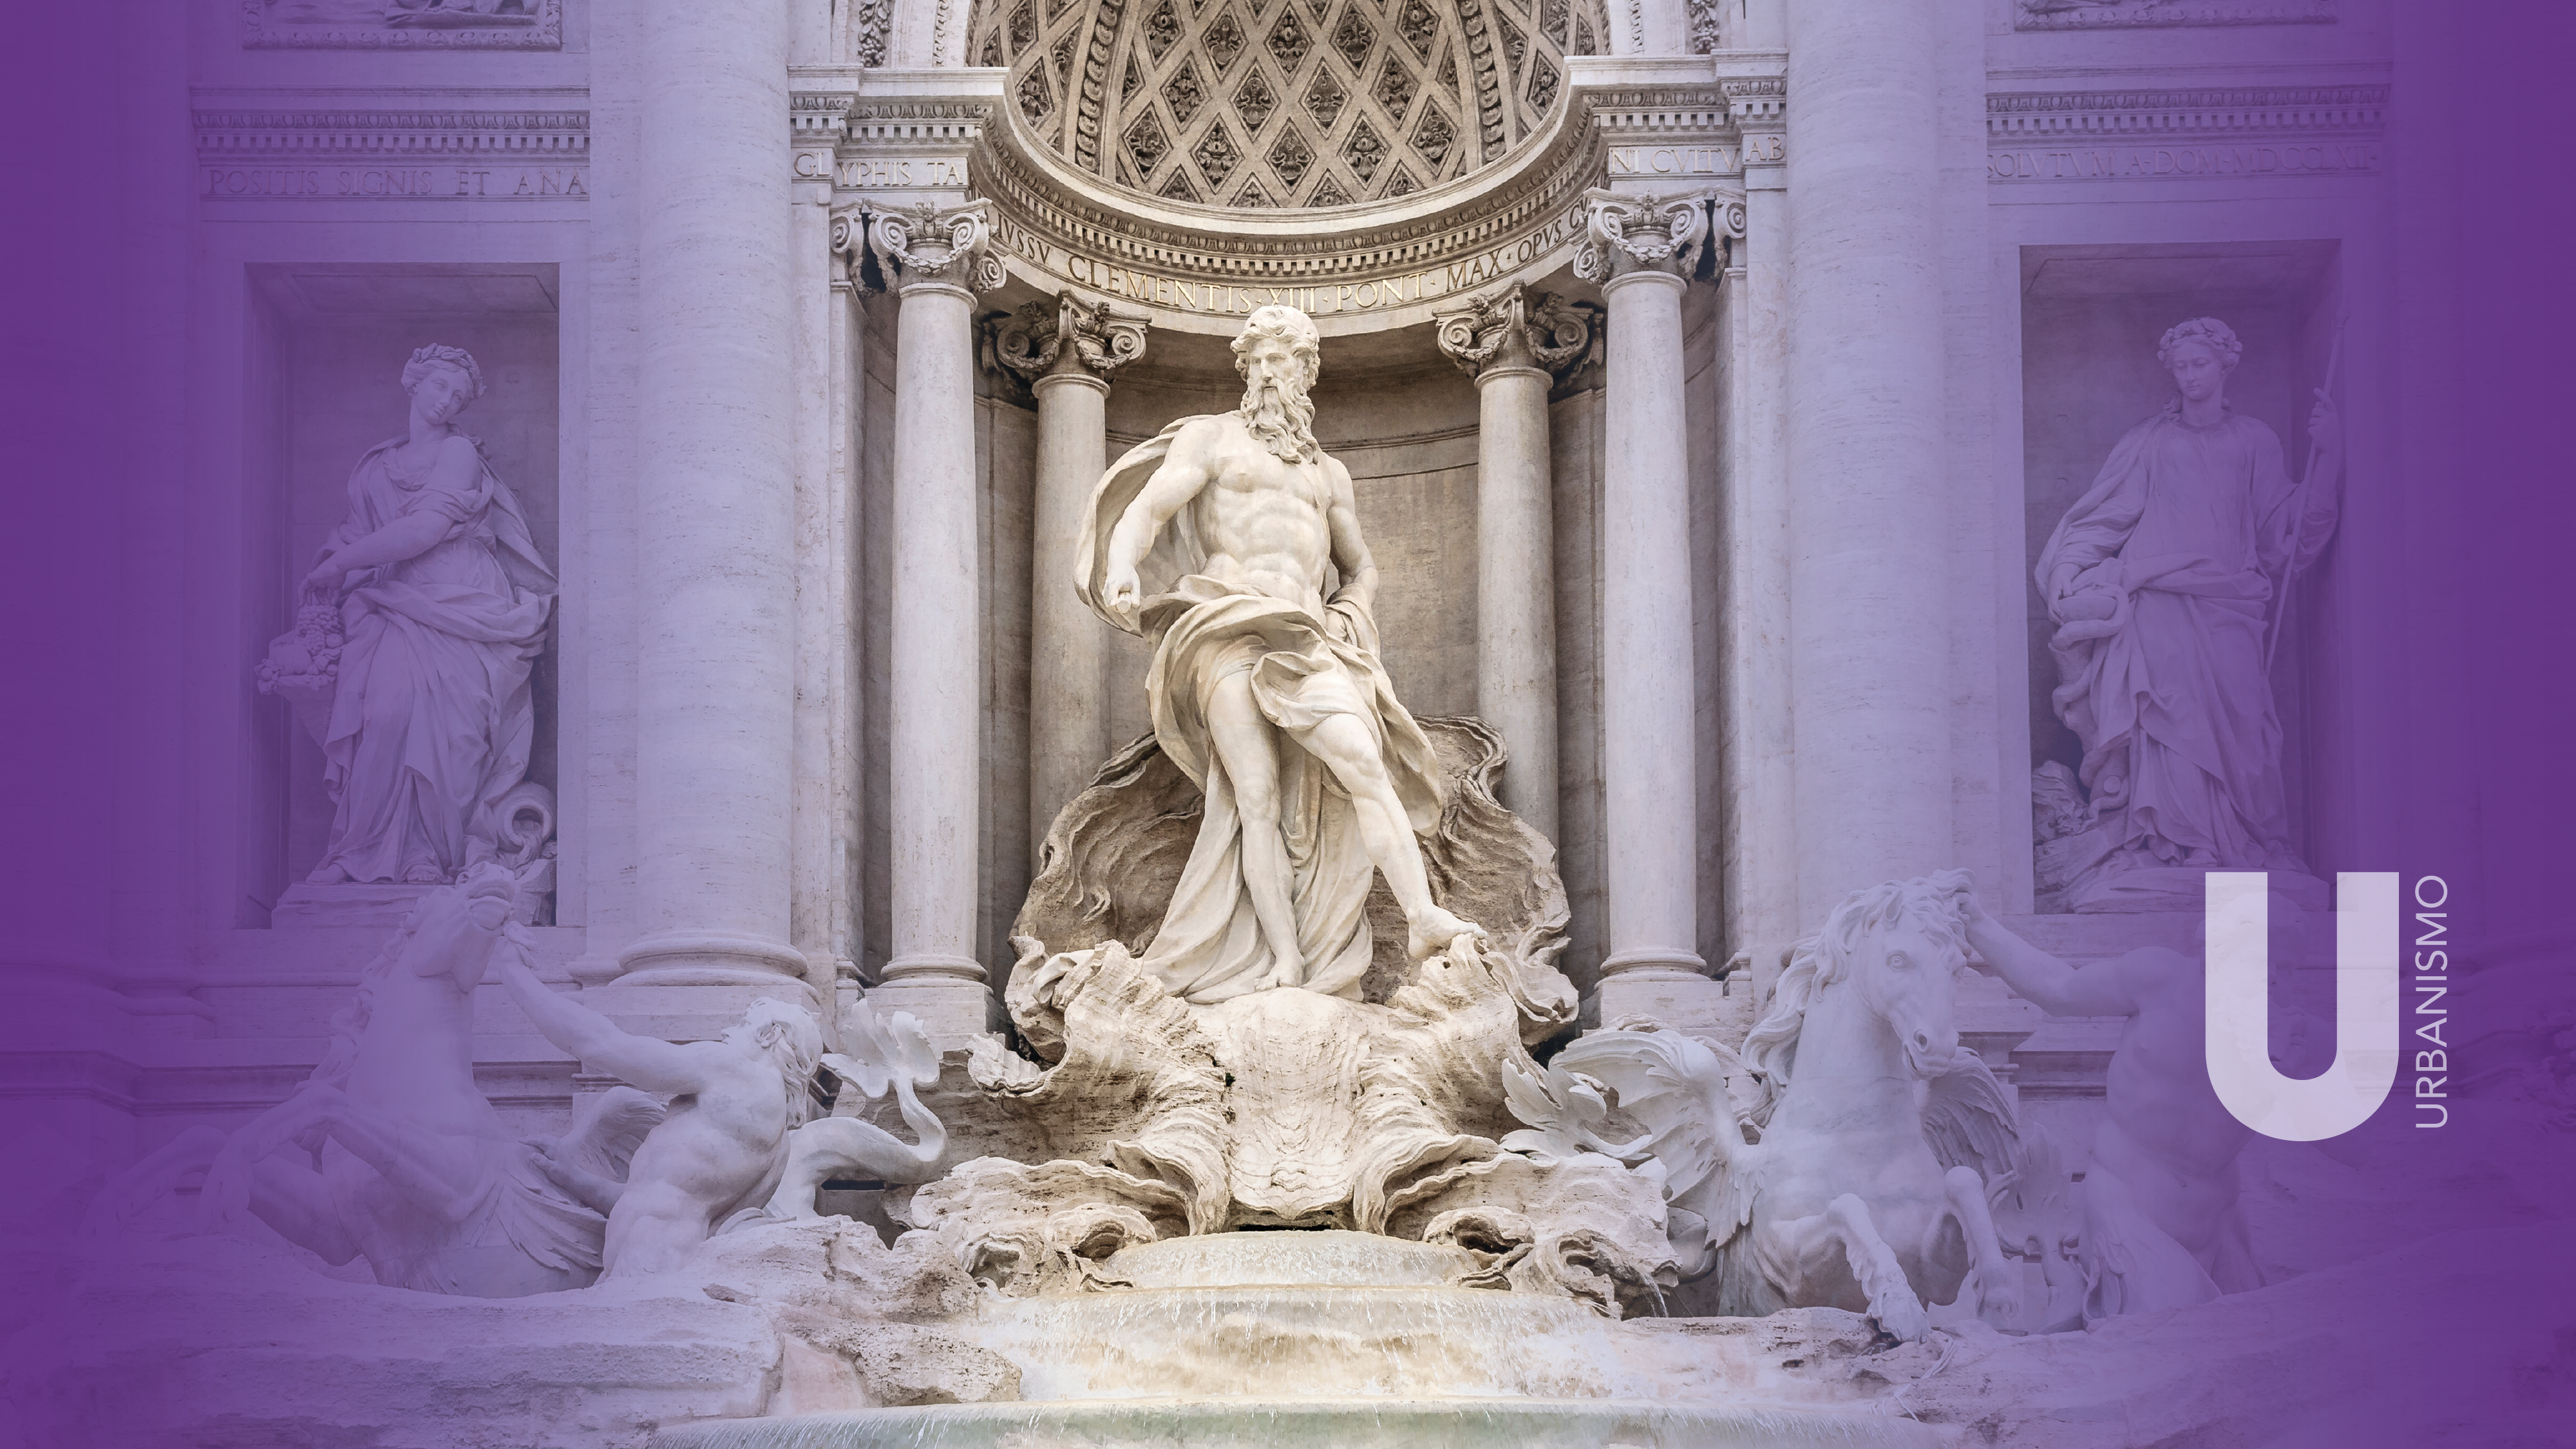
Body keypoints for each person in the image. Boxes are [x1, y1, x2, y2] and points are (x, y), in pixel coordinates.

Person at [1075, 305, 1481, 1004]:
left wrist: (1351, 611)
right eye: (1257, 359)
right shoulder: (1211, 439)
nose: (1267, 372)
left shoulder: (1329, 475)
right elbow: (1148, 510)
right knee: (1252, 797)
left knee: (1363, 762)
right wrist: (1120, 566)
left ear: (1305, 373)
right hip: (1224, 626)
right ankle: (1286, 962)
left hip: (1305, 636)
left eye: (1281, 360)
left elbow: (1362, 568)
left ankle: (1419, 916)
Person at [2033, 317, 2339, 907]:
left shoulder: (2255, 440)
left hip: (2229, 601)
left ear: (2225, 366)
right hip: (2159, 600)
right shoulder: (2151, 442)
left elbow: (2284, 534)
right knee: (2167, 723)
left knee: (2241, 723)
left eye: (2201, 364)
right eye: (2181, 366)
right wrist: (2071, 562)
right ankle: (2173, 843)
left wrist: (2329, 459)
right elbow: (2107, 517)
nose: (2191, 376)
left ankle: (2243, 842)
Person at [1960, 889, 2324, 1317]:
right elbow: (2057, 987)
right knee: (2177, 1333)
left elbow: (2356, 1148)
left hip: (2218, 1227)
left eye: (2280, 967)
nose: (2270, 977)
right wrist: (1977, 923)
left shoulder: (2298, 1038)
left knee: (2242, 1355)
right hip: (2127, 1206)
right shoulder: (2158, 980)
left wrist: (2294, 1082)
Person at [302, 344, 555, 886]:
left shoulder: (458, 453)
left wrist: (344, 562)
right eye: (439, 386)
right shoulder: (374, 466)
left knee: (452, 733)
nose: (447, 401)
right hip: (395, 601)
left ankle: (429, 856)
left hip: (458, 596)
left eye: (459, 395)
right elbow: (359, 534)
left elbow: (422, 532)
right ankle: (360, 851)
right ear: (412, 380)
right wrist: (332, 573)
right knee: (387, 715)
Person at [495, 947, 823, 1278]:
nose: (726, 1032)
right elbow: (659, 1201)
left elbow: (602, 1044)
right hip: (660, 1265)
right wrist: (574, 1179)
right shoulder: (779, 1147)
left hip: (649, 1265)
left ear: (768, 1035)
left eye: (742, 1024)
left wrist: (516, 977)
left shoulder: (736, 1070)